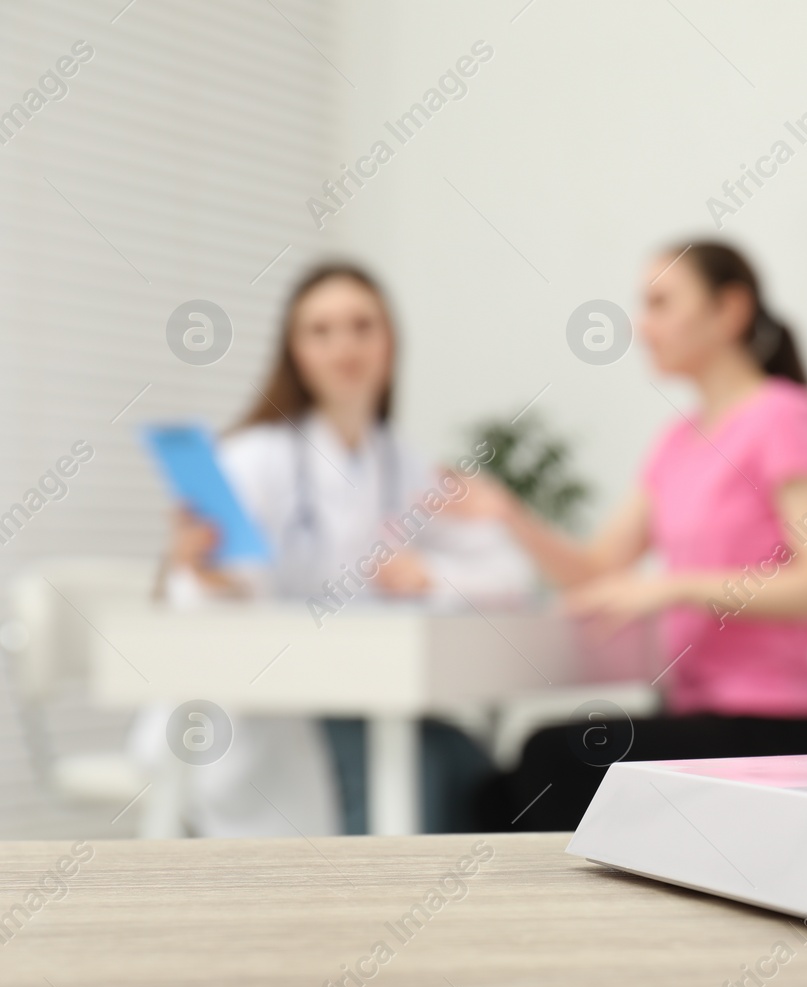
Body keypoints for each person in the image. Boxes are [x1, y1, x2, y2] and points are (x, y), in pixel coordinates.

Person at [140, 264, 532, 836]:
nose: (344, 346)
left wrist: (430, 574)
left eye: (361, 326)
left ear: (389, 341)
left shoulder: (405, 466)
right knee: (420, 769)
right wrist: (208, 573)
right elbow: (219, 593)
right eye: (320, 331)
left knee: (461, 763)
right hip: (266, 712)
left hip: (363, 696)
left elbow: (509, 574)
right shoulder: (252, 459)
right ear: (294, 351)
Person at [474, 242, 807, 830]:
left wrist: (674, 587)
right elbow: (599, 568)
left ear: (729, 310)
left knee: (549, 759)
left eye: (660, 303)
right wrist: (508, 516)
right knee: (493, 787)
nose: (642, 326)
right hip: (693, 708)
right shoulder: (678, 441)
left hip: (774, 721)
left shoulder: (782, 416)